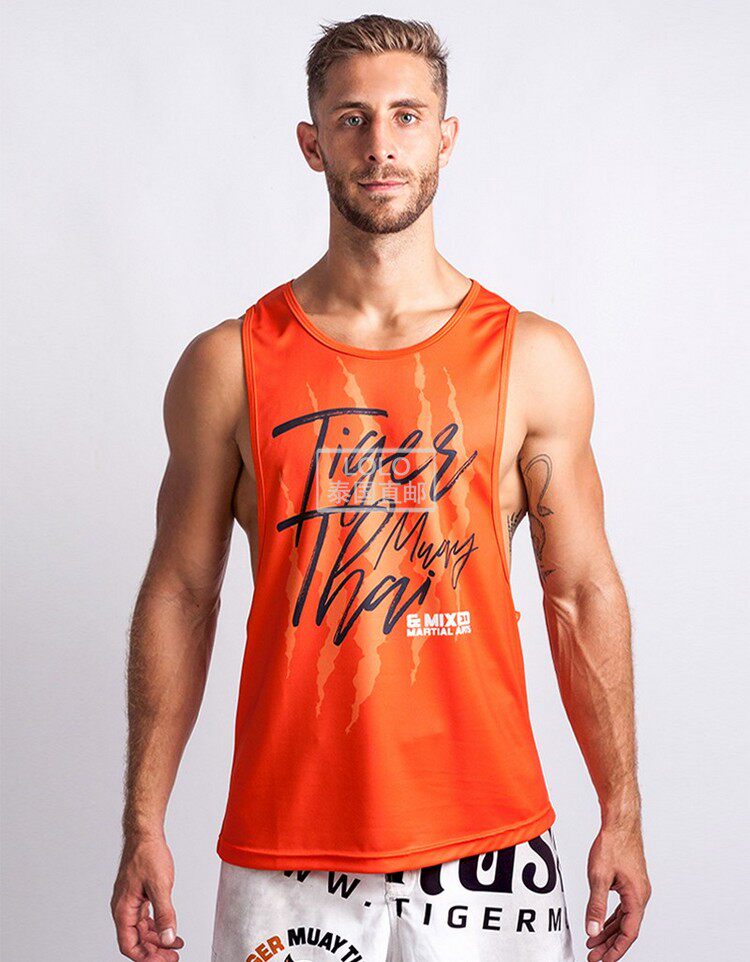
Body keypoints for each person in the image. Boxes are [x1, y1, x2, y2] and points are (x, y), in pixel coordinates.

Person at [110, 14, 651, 962]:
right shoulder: (229, 364)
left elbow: (580, 590)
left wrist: (622, 812)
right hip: (286, 846)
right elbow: (182, 593)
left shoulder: (530, 357)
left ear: (446, 136)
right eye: (352, 118)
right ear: (311, 142)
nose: (381, 145)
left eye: (407, 116)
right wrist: (142, 820)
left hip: (490, 845)